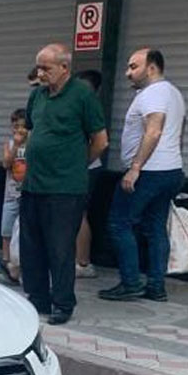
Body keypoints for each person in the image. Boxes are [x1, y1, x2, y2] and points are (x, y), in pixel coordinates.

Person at [20, 43, 108, 325]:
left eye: (46, 68)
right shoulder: (37, 96)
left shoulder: (82, 94)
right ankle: (37, 297)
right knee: (31, 245)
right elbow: (33, 133)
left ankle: (62, 303)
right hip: (33, 183)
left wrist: (76, 165)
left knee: (59, 247)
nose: (41, 73)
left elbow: (100, 140)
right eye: (39, 68)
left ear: (64, 68)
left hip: (65, 187)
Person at [99, 49, 187, 302]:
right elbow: (179, 133)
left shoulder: (154, 93)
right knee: (155, 227)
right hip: (170, 170)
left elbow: (154, 131)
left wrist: (135, 167)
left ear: (151, 68)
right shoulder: (175, 94)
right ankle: (156, 286)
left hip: (148, 172)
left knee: (119, 223)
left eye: (133, 67)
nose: (128, 73)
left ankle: (130, 283)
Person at [74, 68, 105, 278]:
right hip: (81, 168)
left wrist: (83, 163)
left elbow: (100, 142)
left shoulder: (89, 108)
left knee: (79, 214)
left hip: (84, 169)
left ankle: (83, 262)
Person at [0, 109, 28, 283]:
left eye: (22, 127)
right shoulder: (9, 145)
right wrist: (16, 146)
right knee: (7, 229)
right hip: (11, 193)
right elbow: (6, 164)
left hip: (27, 193)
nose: (19, 131)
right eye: (15, 127)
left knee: (23, 230)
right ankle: (6, 260)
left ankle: (20, 263)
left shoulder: (32, 144)